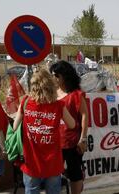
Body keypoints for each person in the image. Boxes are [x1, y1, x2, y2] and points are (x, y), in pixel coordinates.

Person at [13, 69, 75, 194]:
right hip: (53, 161)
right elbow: (72, 124)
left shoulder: (25, 102)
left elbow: (15, 127)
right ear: (51, 86)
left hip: (30, 159)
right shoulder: (58, 105)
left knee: (31, 190)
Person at [49, 61, 89, 194]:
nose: (53, 78)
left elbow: (84, 116)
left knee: (74, 173)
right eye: (52, 75)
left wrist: (82, 138)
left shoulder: (76, 94)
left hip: (72, 142)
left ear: (64, 76)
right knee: (53, 173)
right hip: (54, 142)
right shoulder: (51, 93)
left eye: (56, 75)